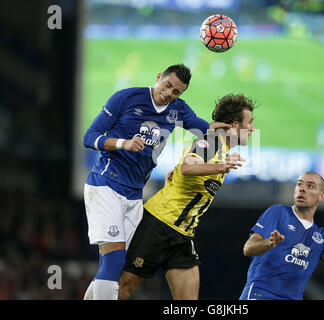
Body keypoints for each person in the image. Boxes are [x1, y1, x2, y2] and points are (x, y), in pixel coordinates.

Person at [82, 64, 230, 300]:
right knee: (114, 261)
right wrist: (124, 143)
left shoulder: (177, 109)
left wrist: (228, 128)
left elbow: (204, 129)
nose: (169, 93)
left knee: (113, 267)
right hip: (106, 184)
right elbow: (89, 137)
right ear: (159, 77)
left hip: (134, 194)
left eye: (176, 92)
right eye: (168, 85)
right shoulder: (126, 98)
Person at [117, 93, 256, 300]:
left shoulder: (221, 151)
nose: (253, 128)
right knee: (124, 288)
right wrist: (222, 166)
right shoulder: (212, 142)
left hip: (182, 234)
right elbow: (187, 167)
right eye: (250, 122)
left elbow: (173, 173)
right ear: (235, 125)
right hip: (159, 224)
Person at [239, 171, 324, 300]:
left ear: (321, 196)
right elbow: (248, 248)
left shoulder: (322, 237)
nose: (302, 189)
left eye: (310, 186)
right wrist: (268, 243)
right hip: (261, 295)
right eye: (299, 184)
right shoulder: (278, 212)